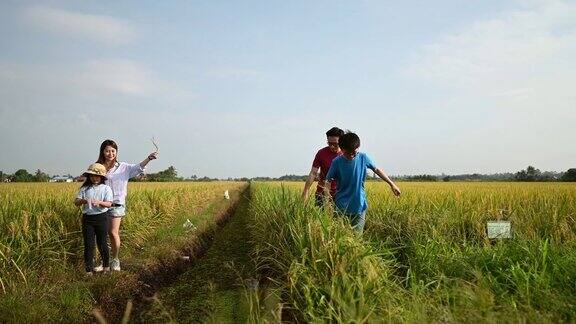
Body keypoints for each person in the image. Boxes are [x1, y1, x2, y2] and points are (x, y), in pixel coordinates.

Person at [95, 139, 158, 271]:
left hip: (116, 204)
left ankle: (115, 259)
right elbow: (91, 181)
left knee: (112, 233)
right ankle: (104, 260)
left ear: (116, 152)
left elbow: (138, 167)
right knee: (101, 234)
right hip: (100, 204)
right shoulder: (98, 168)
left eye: (113, 151)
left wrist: (148, 158)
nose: (110, 153)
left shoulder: (123, 167)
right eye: (107, 151)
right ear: (102, 152)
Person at [325, 131, 401, 233]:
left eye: (354, 153)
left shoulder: (363, 157)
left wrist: (392, 184)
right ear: (342, 150)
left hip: (359, 206)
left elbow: (377, 170)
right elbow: (328, 181)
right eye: (348, 153)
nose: (352, 156)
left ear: (358, 148)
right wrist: (327, 200)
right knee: (340, 236)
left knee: (357, 239)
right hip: (341, 207)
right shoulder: (337, 162)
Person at [74, 163, 113, 275]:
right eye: (92, 176)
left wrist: (100, 202)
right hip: (87, 219)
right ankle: (88, 270)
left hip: (102, 218)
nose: (94, 178)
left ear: (101, 177)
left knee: (102, 244)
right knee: (89, 245)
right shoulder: (85, 189)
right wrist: (83, 201)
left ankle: (106, 267)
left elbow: (109, 204)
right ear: (89, 177)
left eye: (97, 176)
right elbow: (76, 202)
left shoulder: (106, 188)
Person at [301, 127, 344, 206]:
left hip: (340, 194)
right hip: (322, 192)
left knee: (338, 218)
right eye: (329, 143)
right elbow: (313, 173)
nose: (332, 146)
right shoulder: (321, 153)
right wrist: (306, 190)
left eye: (335, 144)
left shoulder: (347, 155)